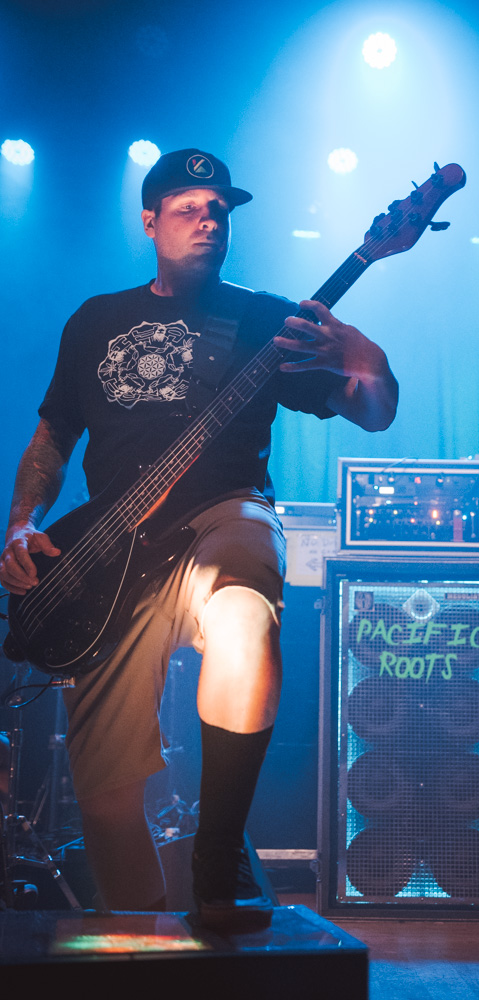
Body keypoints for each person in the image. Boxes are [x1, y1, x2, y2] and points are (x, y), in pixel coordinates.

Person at [0, 148, 398, 930]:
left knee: (244, 620)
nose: (209, 219)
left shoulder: (265, 319)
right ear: (150, 221)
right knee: (106, 794)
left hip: (225, 516)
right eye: (188, 207)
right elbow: (54, 433)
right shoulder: (95, 319)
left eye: (219, 209)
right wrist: (21, 522)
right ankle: (144, 945)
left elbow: (370, 410)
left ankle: (218, 858)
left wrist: (370, 364)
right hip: (110, 549)